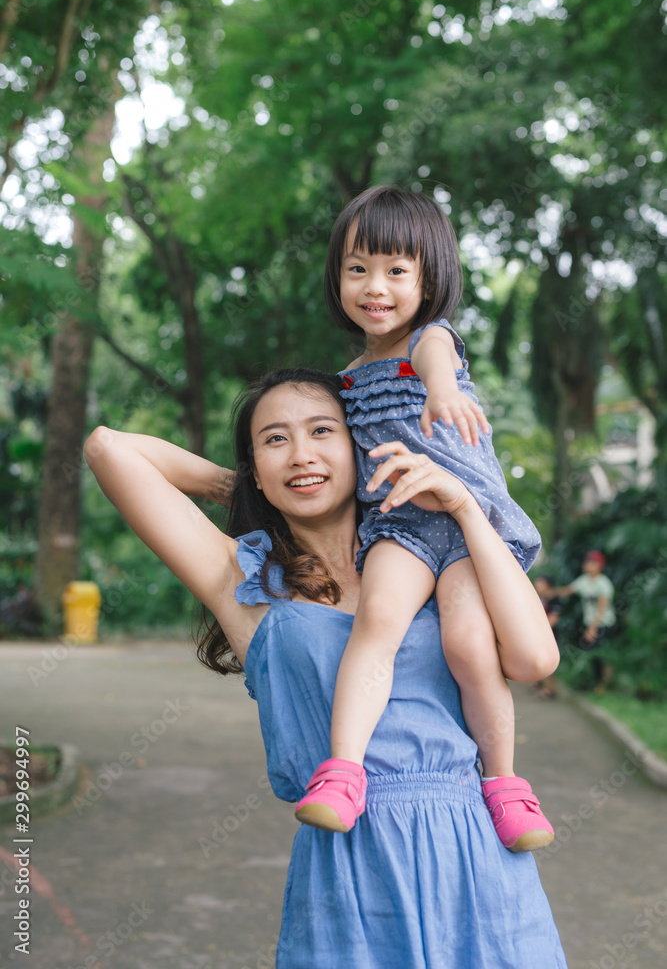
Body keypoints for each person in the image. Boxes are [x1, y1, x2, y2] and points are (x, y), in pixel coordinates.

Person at [84, 368, 567, 968]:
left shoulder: (436, 566)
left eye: (321, 432)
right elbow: (109, 447)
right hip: (351, 864)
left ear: (358, 446)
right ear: (254, 464)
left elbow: (535, 657)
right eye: (275, 439)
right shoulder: (244, 577)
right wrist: (247, 489)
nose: (302, 454)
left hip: (479, 858)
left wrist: (466, 507)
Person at [296, 186, 555, 852]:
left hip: (470, 529)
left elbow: (436, 359)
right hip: (402, 526)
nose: (374, 286)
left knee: (469, 645)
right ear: (337, 278)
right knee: (377, 622)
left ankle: (503, 784)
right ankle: (343, 772)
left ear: (428, 277)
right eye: (357, 269)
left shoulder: (429, 339)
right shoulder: (348, 379)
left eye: (395, 271)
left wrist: (439, 389)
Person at [550, 551, 616, 694]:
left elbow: (602, 607)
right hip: (590, 624)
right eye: (587, 562)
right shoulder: (584, 580)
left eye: (592, 562)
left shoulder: (603, 583)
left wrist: (593, 628)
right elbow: (568, 590)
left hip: (603, 624)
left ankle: (603, 684)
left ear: (600, 566)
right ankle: (599, 683)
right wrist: (550, 592)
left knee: (598, 654)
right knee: (593, 653)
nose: (588, 565)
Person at [533, 575, 561, 700]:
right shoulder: (542, 598)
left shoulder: (554, 599)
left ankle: (549, 690)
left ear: (547, 584)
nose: (537, 585)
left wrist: (543, 632)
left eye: (540, 583)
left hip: (550, 635)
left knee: (549, 661)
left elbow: (554, 618)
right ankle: (540, 683)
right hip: (541, 634)